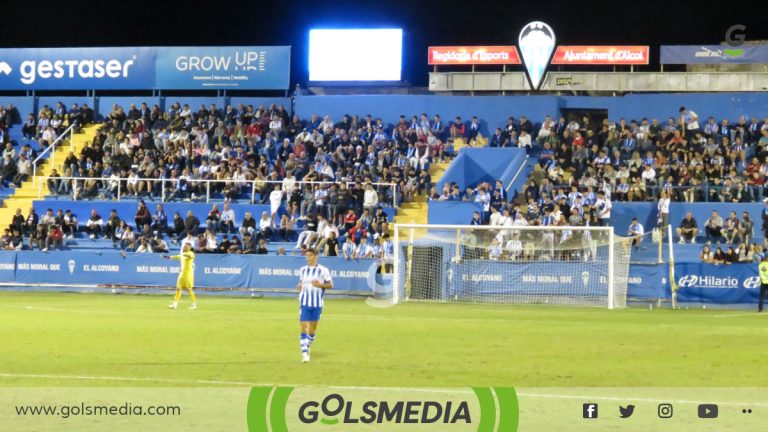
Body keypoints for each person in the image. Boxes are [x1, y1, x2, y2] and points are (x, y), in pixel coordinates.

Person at [296, 247, 333, 363]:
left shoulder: (323, 270)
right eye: (307, 255)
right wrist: (299, 286)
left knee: (312, 330)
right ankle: (305, 354)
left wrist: (320, 285)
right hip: (304, 302)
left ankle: (307, 345)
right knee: (303, 326)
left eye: (310, 255)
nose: (308, 258)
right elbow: (301, 282)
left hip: (317, 303)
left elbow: (330, 285)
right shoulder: (302, 270)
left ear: (315, 257)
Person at [163, 243, 197, 310]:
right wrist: (166, 257)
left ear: (189, 247)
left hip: (188, 275)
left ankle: (194, 305)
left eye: (186, 246)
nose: (184, 247)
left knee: (189, 289)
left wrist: (184, 254)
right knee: (178, 289)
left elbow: (190, 256)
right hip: (181, 274)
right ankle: (174, 305)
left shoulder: (191, 253)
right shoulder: (182, 255)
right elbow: (174, 257)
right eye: (184, 246)